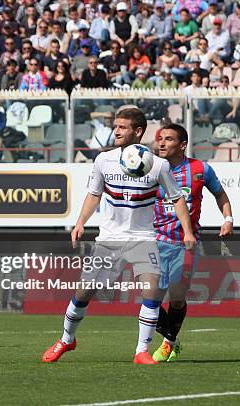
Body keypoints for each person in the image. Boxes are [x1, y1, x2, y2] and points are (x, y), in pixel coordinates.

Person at [42, 107, 196, 365]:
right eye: (116, 126)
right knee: (83, 293)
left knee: (153, 290)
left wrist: (188, 231)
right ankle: (67, 340)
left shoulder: (158, 165)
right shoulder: (104, 160)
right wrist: (80, 223)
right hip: (109, 239)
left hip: (143, 238)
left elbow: (177, 198)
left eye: (122, 127)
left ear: (138, 131)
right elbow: (94, 194)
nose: (116, 131)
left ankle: (141, 351)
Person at [151, 124, 233, 362]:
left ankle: (167, 344)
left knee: (176, 297)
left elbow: (220, 194)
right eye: (160, 139)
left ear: (183, 144)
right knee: (150, 298)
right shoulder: (152, 169)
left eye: (168, 139)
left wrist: (227, 219)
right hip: (154, 239)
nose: (162, 143)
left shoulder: (200, 169)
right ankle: (173, 340)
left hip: (186, 241)